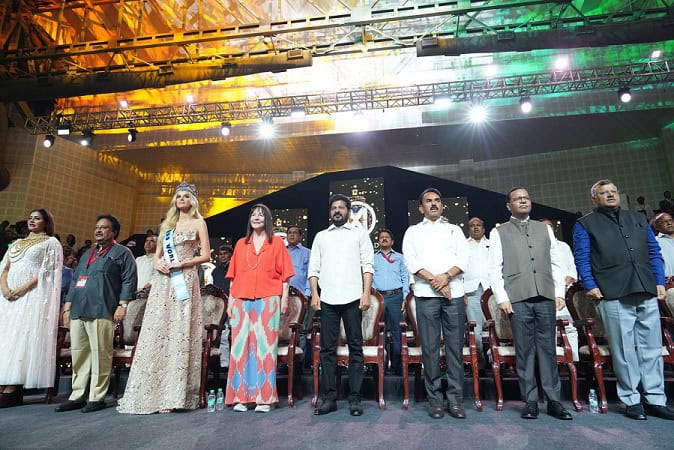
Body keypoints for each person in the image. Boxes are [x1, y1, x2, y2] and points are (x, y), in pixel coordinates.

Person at [573, 179, 674, 420]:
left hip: (645, 286)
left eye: (613, 191)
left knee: (652, 347)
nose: (610, 195)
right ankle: (632, 399)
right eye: (604, 192)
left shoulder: (637, 218)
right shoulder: (585, 224)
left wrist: (659, 280)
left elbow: (653, 251)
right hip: (612, 290)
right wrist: (590, 285)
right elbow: (582, 257)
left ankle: (655, 398)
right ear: (594, 198)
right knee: (624, 349)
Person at [117, 182, 211, 414]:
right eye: (178, 196)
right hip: (163, 280)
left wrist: (182, 263)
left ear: (192, 200)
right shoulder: (167, 225)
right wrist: (158, 263)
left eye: (185, 196)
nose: (181, 199)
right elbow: (157, 255)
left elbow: (205, 255)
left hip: (184, 278)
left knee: (179, 328)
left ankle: (174, 393)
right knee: (159, 327)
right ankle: (152, 391)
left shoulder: (199, 223)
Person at [488, 188, 573, 420]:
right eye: (518, 199)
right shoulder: (499, 232)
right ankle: (530, 401)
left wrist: (559, 293)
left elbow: (556, 263)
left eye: (526, 197)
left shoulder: (544, 229)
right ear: (509, 205)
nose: (523, 201)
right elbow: (494, 267)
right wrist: (502, 297)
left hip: (545, 295)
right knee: (524, 351)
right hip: (517, 297)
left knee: (548, 349)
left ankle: (554, 400)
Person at [56, 214, 137, 413]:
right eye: (97, 227)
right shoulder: (88, 253)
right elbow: (76, 280)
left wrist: (123, 305)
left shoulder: (122, 253)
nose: (98, 230)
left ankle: (97, 397)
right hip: (79, 309)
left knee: (101, 353)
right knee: (79, 353)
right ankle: (77, 395)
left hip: (102, 309)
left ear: (114, 232)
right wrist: (67, 307)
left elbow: (129, 280)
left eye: (104, 227)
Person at [402, 188, 469, 419]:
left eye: (437, 201)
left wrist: (446, 277)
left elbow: (463, 259)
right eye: (428, 201)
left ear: (442, 205)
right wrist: (436, 281)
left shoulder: (454, 230)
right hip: (426, 296)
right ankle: (435, 401)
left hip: (454, 295)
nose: (433, 204)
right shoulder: (413, 232)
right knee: (430, 350)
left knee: (454, 349)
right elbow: (411, 262)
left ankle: (455, 401)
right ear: (421, 208)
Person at [225, 203, 294, 413]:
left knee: (265, 349)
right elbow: (233, 276)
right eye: (253, 214)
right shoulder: (240, 244)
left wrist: (284, 300)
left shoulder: (277, 243)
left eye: (261, 215)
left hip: (268, 298)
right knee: (240, 349)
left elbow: (285, 277)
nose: (256, 217)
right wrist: (230, 302)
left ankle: (265, 399)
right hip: (241, 299)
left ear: (268, 220)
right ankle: (241, 397)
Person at [309, 194, 374, 416]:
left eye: (341, 207)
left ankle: (355, 399)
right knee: (327, 350)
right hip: (327, 300)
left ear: (348, 211)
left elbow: (368, 265)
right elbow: (313, 269)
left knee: (355, 348)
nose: (337, 210)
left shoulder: (359, 233)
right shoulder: (321, 236)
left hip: (353, 298)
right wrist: (314, 295)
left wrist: (366, 293)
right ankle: (329, 398)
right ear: (330, 212)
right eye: (334, 208)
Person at [0, 209, 62, 408]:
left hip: (31, 296)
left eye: (37, 218)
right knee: (6, 337)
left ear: (46, 222)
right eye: (30, 218)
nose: (32, 221)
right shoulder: (17, 243)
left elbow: (48, 271)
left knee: (21, 337)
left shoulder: (51, 242)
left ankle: (13, 387)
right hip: (8, 297)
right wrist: (5, 288)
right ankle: (2, 382)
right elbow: (5, 268)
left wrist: (23, 288)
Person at [540, 218, 579, 361]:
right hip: (544, 294)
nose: (547, 229)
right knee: (548, 329)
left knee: (569, 328)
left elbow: (572, 270)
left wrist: (561, 287)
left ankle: (574, 361)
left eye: (550, 226)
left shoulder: (563, 246)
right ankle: (553, 363)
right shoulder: (534, 247)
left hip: (563, 293)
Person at [372, 228, 409, 375]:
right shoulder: (372, 258)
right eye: (381, 237)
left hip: (396, 297)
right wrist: (372, 296)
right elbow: (370, 277)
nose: (384, 239)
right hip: (378, 298)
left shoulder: (400, 258)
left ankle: (398, 366)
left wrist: (405, 297)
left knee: (397, 331)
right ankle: (378, 367)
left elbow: (405, 277)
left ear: (392, 241)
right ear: (378, 241)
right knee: (377, 332)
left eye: (387, 237)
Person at [463, 217, 490, 371]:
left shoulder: (492, 245)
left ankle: (498, 363)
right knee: (475, 330)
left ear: (483, 229)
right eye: (472, 226)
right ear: (468, 230)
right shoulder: (464, 246)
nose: (475, 228)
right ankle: (479, 365)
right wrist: (462, 292)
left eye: (478, 225)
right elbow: (459, 270)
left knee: (495, 329)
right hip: (471, 292)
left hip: (491, 292)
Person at [286, 225, 313, 365]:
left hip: (301, 297)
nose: (292, 235)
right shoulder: (281, 252)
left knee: (301, 329)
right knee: (283, 329)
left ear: (300, 236)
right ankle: (284, 363)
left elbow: (311, 274)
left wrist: (307, 293)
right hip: (282, 297)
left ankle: (298, 364)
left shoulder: (307, 253)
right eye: (289, 233)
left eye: (295, 233)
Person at [211, 244, 233, 370]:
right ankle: (225, 363)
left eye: (225, 253)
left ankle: (237, 363)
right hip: (221, 306)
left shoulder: (236, 267)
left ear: (231, 255)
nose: (223, 256)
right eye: (220, 254)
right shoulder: (215, 271)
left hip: (235, 303)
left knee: (236, 334)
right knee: (223, 334)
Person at [653, 213, 674, 277]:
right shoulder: (655, 242)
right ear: (656, 226)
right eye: (663, 222)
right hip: (669, 280)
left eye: (671, 220)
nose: (669, 223)